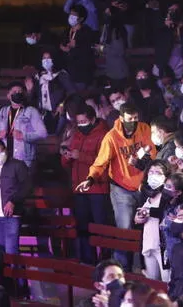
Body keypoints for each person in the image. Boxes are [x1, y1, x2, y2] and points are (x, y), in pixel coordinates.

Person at [82, 103, 155, 269]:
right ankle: (122, 270)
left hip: (144, 186)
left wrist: (141, 162)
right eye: (130, 119)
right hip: (121, 188)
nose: (134, 122)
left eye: (136, 118)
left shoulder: (144, 129)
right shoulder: (111, 137)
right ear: (121, 119)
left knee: (147, 228)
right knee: (125, 230)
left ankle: (144, 269)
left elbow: (151, 152)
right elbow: (100, 163)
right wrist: (90, 178)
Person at [61, 104, 110, 264]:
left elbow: (104, 162)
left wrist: (80, 155)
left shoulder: (104, 135)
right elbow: (66, 163)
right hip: (79, 189)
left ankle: (106, 260)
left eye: (84, 121)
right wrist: (67, 156)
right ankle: (88, 260)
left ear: (92, 119)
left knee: (100, 226)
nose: (81, 124)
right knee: (83, 225)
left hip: (97, 187)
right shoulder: (76, 135)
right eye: (79, 121)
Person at [0, 140, 28, 280]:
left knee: (11, 252)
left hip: (11, 216)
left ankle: (19, 286)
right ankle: (3, 284)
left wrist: (13, 201)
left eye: (0, 151)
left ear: (6, 150)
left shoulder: (17, 165)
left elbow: (26, 186)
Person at [0, 81, 48, 168]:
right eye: (14, 92)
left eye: (20, 92)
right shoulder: (3, 111)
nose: (17, 94)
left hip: (24, 158)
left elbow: (43, 133)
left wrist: (24, 136)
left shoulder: (31, 111)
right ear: (8, 95)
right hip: (5, 156)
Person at [134, 160, 170, 281]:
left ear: (166, 176)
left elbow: (167, 214)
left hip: (163, 246)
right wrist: (138, 217)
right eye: (151, 172)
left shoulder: (169, 194)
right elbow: (138, 216)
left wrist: (150, 213)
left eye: (158, 173)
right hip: (148, 243)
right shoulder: (145, 193)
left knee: (166, 282)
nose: (154, 175)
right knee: (152, 282)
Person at [27, 51, 75, 134]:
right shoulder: (38, 77)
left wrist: (62, 105)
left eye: (48, 58)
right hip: (42, 114)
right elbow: (33, 98)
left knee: (55, 136)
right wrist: (29, 90)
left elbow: (72, 92)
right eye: (44, 58)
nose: (46, 61)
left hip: (57, 113)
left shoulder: (61, 75)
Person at [60, 5, 97, 90]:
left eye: (74, 15)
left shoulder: (87, 32)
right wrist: (63, 48)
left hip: (82, 73)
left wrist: (77, 45)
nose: (71, 16)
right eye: (70, 14)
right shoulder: (67, 31)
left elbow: (90, 50)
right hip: (68, 71)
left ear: (81, 18)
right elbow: (63, 45)